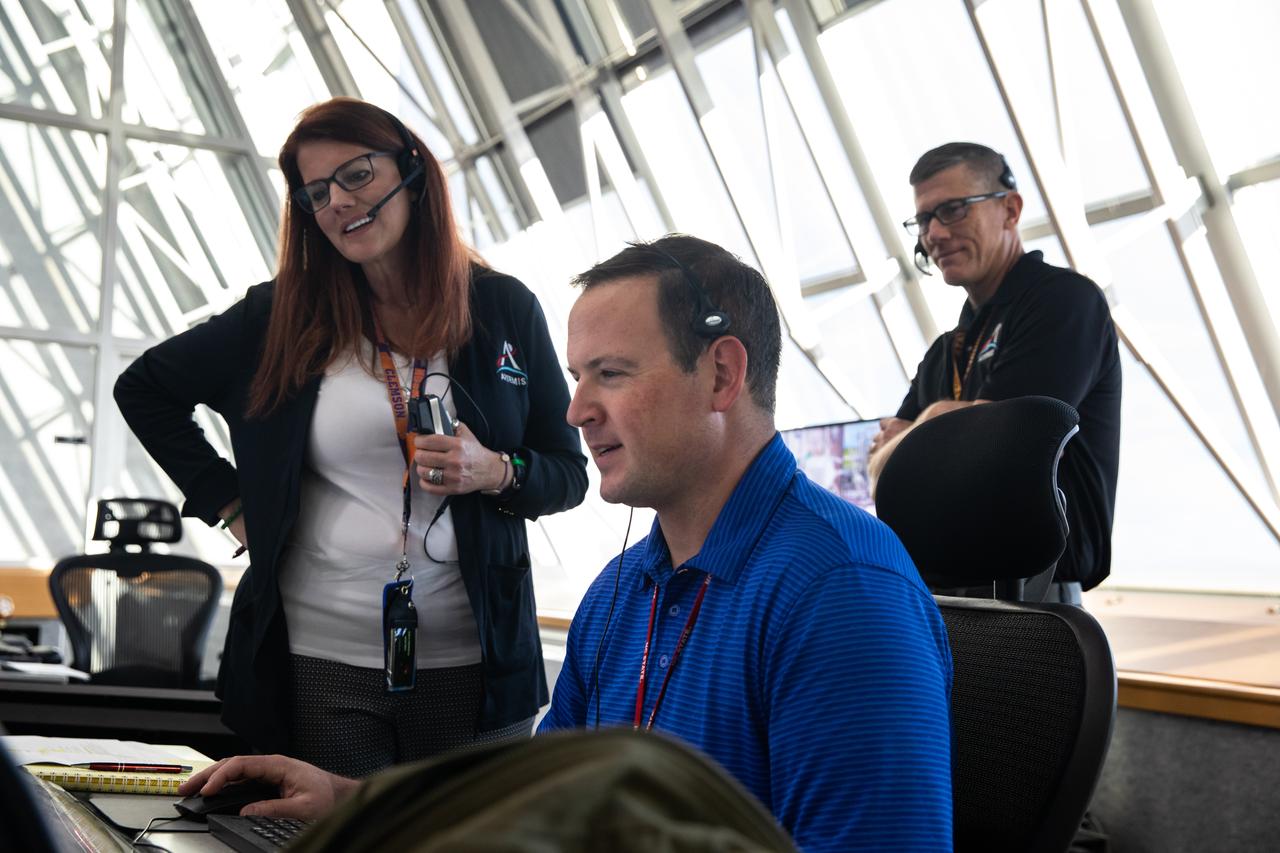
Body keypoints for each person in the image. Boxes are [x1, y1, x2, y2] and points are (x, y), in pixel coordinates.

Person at [179, 236, 954, 852]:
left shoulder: (843, 593)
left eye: (610, 374)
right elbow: (539, 807)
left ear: (721, 373)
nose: (576, 410)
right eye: (579, 375)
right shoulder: (622, 592)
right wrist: (351, 801)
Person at [115, 97, 588, 775]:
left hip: (476, 663)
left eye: (357, 175)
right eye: (316, 193)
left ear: (411, 171)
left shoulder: (502, 307)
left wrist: (494, 469)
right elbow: (144, 389)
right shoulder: (281, 315)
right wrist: (233, 506)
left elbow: (567, 473)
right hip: (319, 660)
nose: (338, 201)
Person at [870, 142, 1121, 601]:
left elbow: (998, 453)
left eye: (952, 210)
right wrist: (940, 421)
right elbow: (881, 477)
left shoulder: (1063, 304)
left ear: (1010, 209)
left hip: (1034, 588)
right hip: (944, 587)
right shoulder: (945, 351)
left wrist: (924, 428)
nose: (934, 234)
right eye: (924, 219)